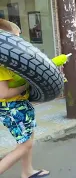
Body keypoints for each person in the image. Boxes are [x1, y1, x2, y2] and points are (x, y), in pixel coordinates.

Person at [0, 19, 50, 177]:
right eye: (15, 38)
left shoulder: (12, 64)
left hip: (21, 105)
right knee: (26, 144)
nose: (19, 44)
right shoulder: (2, 66)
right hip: (13, 109)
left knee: (27, 139)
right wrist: (26, 86)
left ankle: (27, 171)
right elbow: (3, 93)